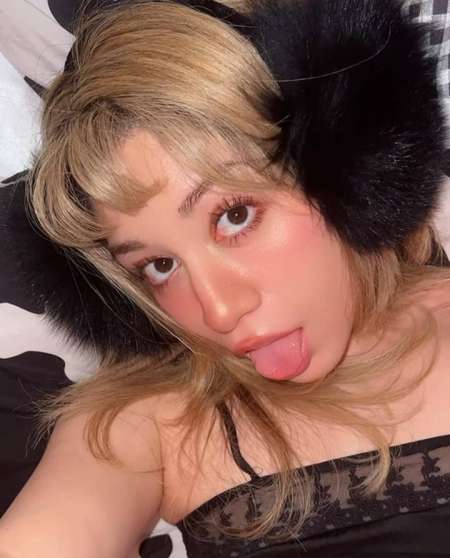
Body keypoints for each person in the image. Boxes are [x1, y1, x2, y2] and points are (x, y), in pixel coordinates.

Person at [1, 0, 450, 556]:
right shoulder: (146, 423)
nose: (218, 310)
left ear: (346, 163)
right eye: (159, 266)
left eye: (234, 216)